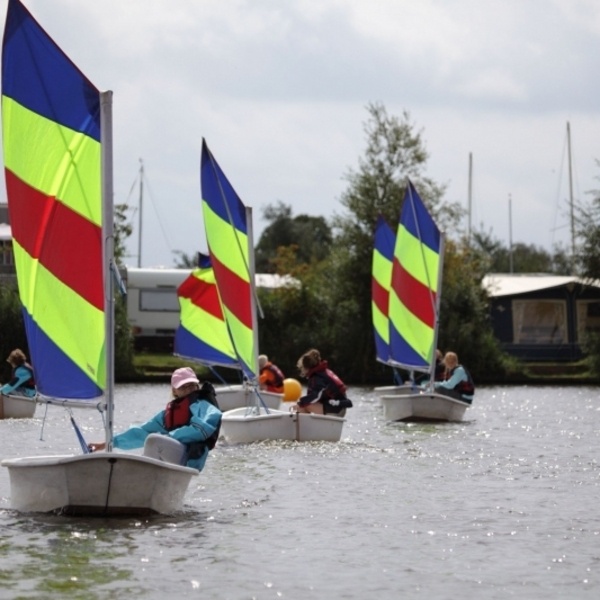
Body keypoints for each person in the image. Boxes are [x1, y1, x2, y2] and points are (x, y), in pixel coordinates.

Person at [88, 367, 222, 471]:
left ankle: (145, 479)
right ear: (174, 391)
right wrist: (109, 443)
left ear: (197, 386)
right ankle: (142, 479)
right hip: (176, 453)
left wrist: (170, 436)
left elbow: (201, 429)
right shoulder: (167, 414)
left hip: (192, 456)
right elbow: (141, 433)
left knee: (155, 440)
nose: (188, 389)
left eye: (191, 385)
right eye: (183, 386)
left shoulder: (204, 406)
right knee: (151, 439)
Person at [293, 348, 352, 416]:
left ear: (307, 367)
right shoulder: (322, 372)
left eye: (302, 368)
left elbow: (315, 396)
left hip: (337, 409)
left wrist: (300, 403)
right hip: (337, 407)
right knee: (304, 404)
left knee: (302, 406)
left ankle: (304, 426)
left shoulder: (318, 378)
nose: (302, 370)